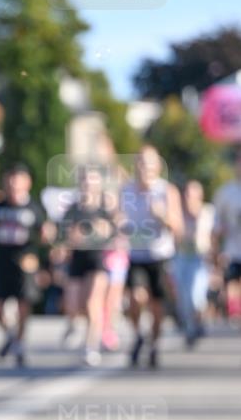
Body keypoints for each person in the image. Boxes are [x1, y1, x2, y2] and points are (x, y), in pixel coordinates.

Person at [121, 145, 183, 368]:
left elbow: (178, 228)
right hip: (135, 254)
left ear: (157, 166)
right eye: (140, 162)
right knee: (136, 299)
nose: (143, 168)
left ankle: (154, 343)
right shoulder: (126, 190)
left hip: (159, 255)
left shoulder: (166, 191)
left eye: (148, 163)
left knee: (157, 307)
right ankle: (138, 334)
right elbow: (117, 218)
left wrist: (163, 216)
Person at [0, 165, 49, 367]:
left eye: (18, 179)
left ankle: (20, 343)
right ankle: (11, 336)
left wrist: (44, 265)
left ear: (27, 183)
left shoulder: (34, 208)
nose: (13, 184)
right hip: (2, 259)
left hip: (25, 262)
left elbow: (45, 237)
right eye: (10, 179)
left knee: (24, 304)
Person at [61, 166, 117, 366]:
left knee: (93, 303)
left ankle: (90, 346)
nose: (88, 184)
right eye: (85, 180)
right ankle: (73, 325)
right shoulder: (73, 209)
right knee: (73, 303)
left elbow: (111, 233)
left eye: (92, 180)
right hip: (77, 260)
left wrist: (96, 233)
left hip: (97, 261)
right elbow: (66, 235)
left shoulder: (104, 209)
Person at [172, 180, 214, 346]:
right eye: (187, 194)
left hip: (200, 258)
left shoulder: (207, 212)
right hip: (182, 257)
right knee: (184, 297)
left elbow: (212, 236)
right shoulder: (178, 213)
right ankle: (190, 329)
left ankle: (198, 322)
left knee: (197, 296)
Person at [213, 147, 241, 325]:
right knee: (231, 285)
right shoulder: (226, 192)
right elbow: (216, 225)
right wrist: (215, 252)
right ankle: (234, 312)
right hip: (233, 251)